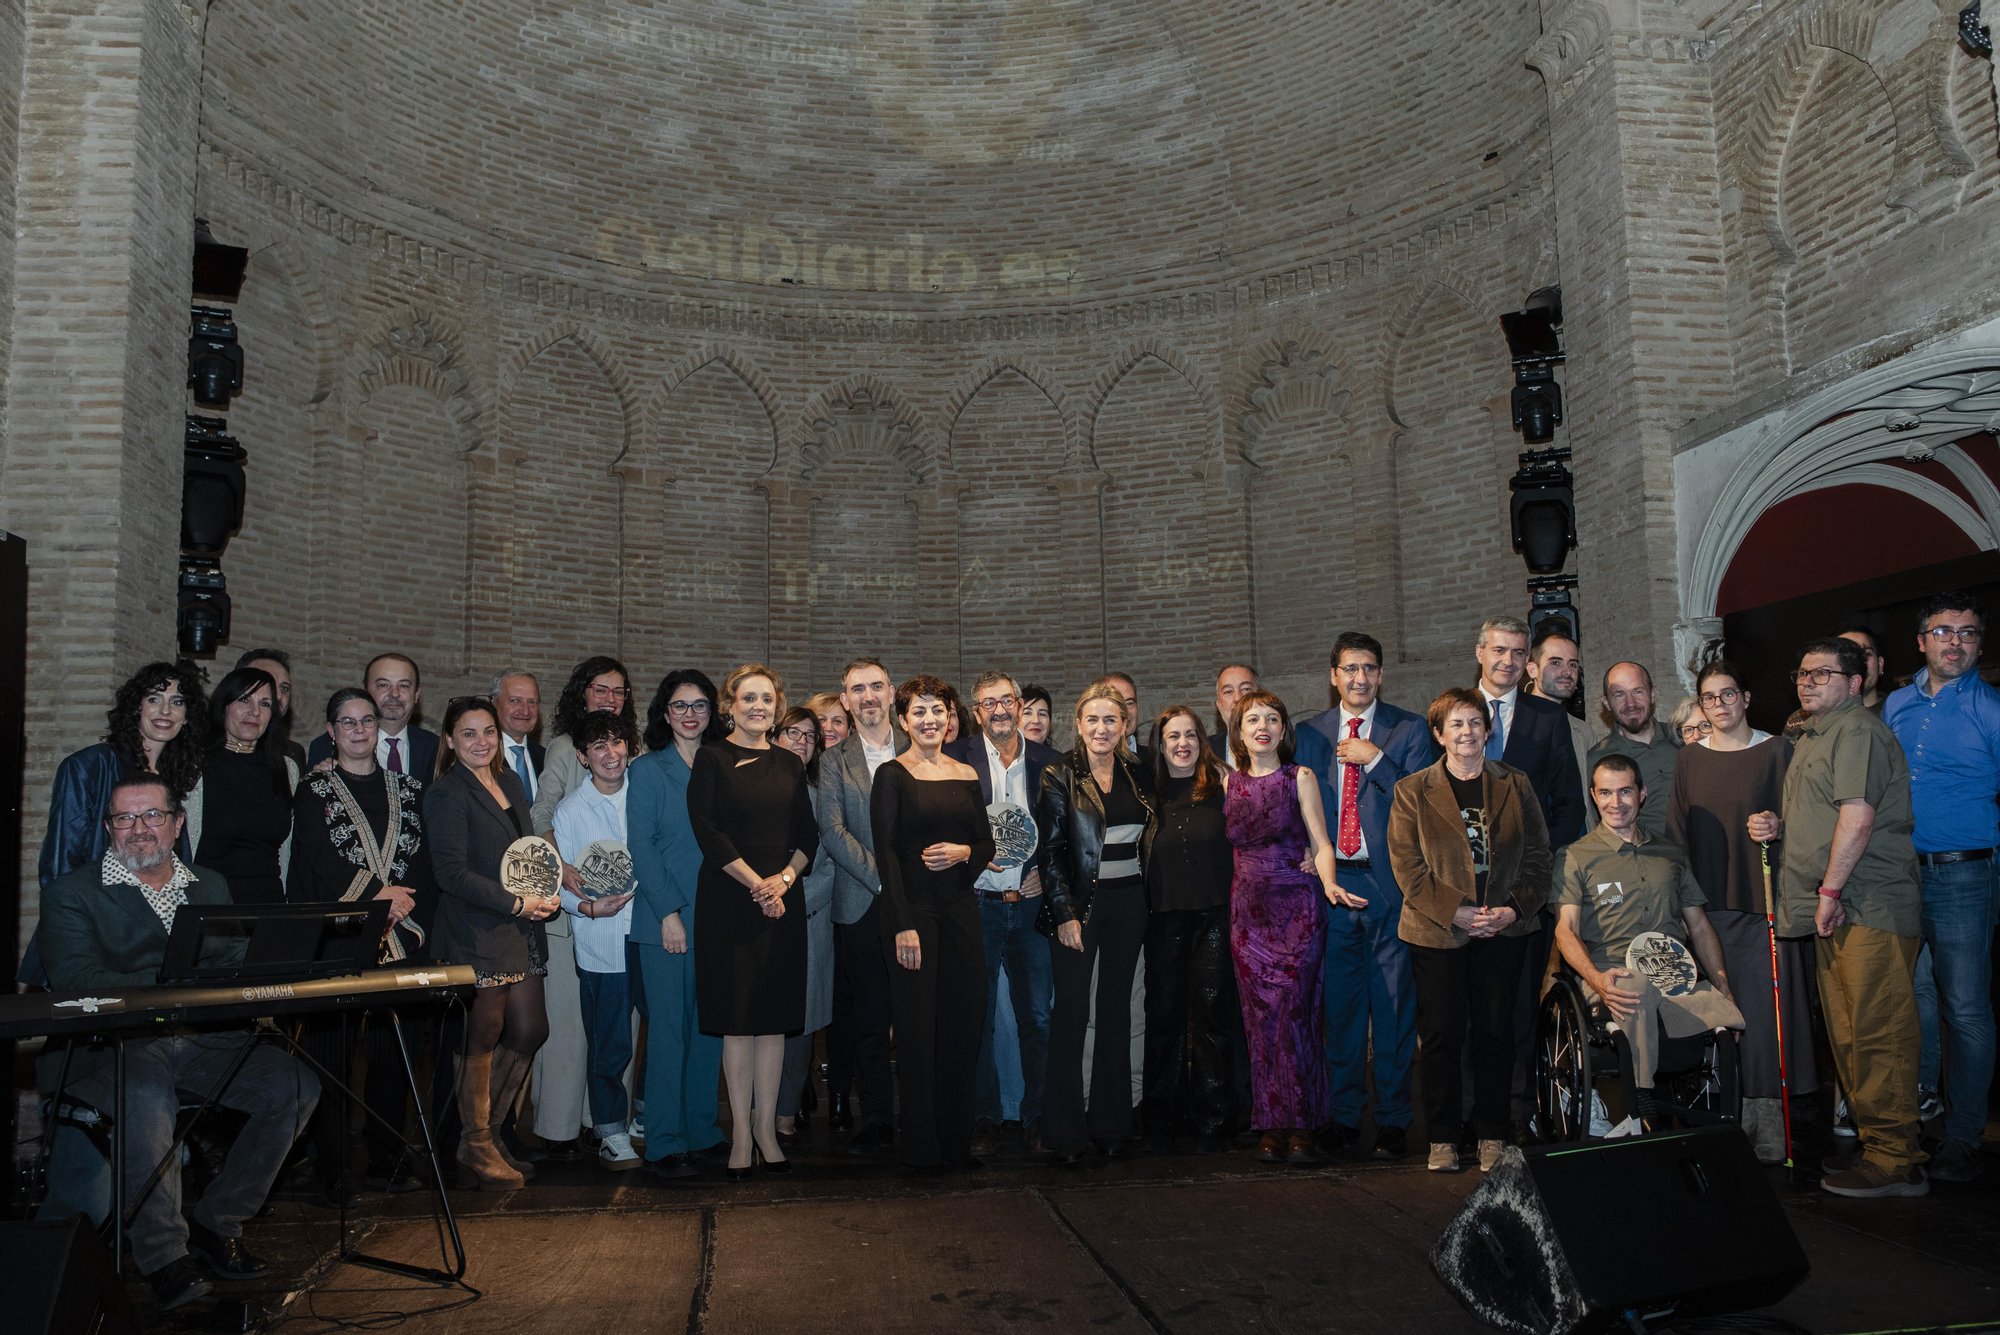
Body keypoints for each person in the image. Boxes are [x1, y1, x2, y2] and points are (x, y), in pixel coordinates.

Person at [37, 778, 320, 1311]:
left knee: (293, 1085)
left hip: (200, 1040)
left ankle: (217, 1222)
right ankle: (166, 1256)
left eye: (152, 816)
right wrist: (176, 977)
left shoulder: (207, 884)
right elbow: (78, 981)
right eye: (125, 818)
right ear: (108, 828)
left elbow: (232, 962)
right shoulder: (71, 893)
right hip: (110, 1044)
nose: (139, 829)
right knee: (145, 1095)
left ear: (177, 822)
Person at [1750, 637, 1926, 1198]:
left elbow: (1858, 816)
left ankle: (1898, 1161)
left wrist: (1829, 889)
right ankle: (1880, 1148)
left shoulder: (1856, 731)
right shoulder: (1815, 736)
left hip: (1866, 903)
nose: (1808, 681)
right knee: (1850, 1034)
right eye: (1803, 673)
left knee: (1878, 1032)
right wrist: (1783, 829)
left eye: (1823, 673)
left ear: (1855, 682)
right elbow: (1825, 814)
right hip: (1838, 908)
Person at [1389, 688, 1552, 1174]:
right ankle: (1442, 1138)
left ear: (1488, 729)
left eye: (1475, 722)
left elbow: (1540, 859)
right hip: (1439, 933)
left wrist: (1511, 910)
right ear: (1439, 734)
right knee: (1440, 1036)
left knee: (1495, 1034)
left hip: (1503, 929)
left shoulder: (1515, 783)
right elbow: (1407, 866)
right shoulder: (1411, 790)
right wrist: (1456, 911)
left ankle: (1492, 1134)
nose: (1467, 732)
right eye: (1456, 724)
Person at [288, 687, 434, 1201]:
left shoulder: (410, 788)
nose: (357, 729)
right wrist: (377, 897)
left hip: (403, 932)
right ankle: (333, 1167)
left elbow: (423, 859)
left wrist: (397, 905)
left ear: (379, 727)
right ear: (330, 731)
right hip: (337, 937)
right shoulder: (313, 790)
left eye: (366, 720)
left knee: (394, 1052)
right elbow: (318, 858)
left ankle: (388, 1158)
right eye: (346, 722)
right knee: (328, 1055)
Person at [1293, 631, 1434, 1160]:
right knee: (1341, 1012)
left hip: (1389, 887)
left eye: (1369, 668)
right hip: (1332, 888)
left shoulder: (1408, 729)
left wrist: (1376, 760)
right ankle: (1344, 1116)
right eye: (1350, 668)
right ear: (1333, 675)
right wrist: (1305, 851)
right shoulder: (1310, 733)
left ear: (1380, 674)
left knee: (1395, 1011)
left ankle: (1395, 1120)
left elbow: (1425, 805)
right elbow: (1295, 804)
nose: (1360, 678)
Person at [1667, 660, 1815, 1165]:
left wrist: (1779, 824)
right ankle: (1730, 1111)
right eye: (1710, 698)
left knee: (1766, 1014)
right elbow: (1676, 836)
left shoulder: (1777, 751)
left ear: (1746, 698)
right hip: (1707, 906)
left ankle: (1768, 1112)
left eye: (1728, 695)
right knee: (1721, 1014)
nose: (1720, 705)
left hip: (1761, 901)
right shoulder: (1690, 759)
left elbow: (1808, 818)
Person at [1555, 755, 1741, 1132]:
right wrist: (1595, 980)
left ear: (1641, 794)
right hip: (1613, 975)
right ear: (1594, 796)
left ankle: (1726, 1119)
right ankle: (1642, 1104)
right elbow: (1565, 930)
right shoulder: (1576, 856)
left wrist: (1723, 985)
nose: (1616, 802)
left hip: (1671, 973)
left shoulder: (1670, 854)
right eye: (1605, 793)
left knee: (1726, 1012)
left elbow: (1700, 926)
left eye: (1625, 791)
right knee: (1634, 986)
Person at [1884, 592, 2000, 1184]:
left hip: (1965, 875)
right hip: (1900, 874)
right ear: (1922, 641)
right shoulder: (1896, 705)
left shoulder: (1993, 709)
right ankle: (1922, 1104)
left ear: (1979, 644)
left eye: (1969, 633)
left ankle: (1963, 1135)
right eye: (1944, 631)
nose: (1956, 642)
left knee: (1966, 1008)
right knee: (1914, 997)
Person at [688, 664, 820, 1179]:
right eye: (748, 698)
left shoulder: (790, 763)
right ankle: (741, 1134)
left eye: (767, 699)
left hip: (782, 903)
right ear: (731, 705)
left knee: (773, 1024)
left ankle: (767, 1129)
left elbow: (808, 836)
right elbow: (709, 832)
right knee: (738, 1024)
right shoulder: (712, 757)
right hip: (729, 900)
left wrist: (783, 880)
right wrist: (757, 884)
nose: (758, 706)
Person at [425, 695, 559, 1191]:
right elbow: (450, 873)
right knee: (482, 1035)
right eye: (468, 734)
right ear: (449, 740)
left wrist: (543, 896)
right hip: (475, 931)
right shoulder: (447, 793)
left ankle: (490, 1131)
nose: (480, 742)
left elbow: (529, 855)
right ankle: (475, 1141)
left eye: (487, 733)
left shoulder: (509, 782)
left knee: (529, 1031)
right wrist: (517, 902)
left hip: (520, 928)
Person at [1225, 689, 1360, 1164]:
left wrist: (1328, 883)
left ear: (1284, 730)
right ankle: (1271, 1123)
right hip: (1246, 919)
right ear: (1239, 732)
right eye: (1252, 720)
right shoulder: (1229, 784)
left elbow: (1322, 843)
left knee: (1297, 1015)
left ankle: (1303, 1122)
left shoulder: (1297, 777)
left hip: (1298, 913)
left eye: (1272, 719)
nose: (1263, 726)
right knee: (1260, 1023)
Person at [872, 675, 995, 1173]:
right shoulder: (892, 775)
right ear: (903, 721)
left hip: (962, 911)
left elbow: (985, 845)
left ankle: (955, 1143)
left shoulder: (966, 773)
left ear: (951, 718)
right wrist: (903, 923)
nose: (929, 720)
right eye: (918, 712)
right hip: (912, 913)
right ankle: (922, 1150)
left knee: (964, 1025)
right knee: (919, 1033)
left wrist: (966, 852)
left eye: (938, 710)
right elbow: (885, 853)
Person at [1038, 681, 1155, 1165]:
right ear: (1079, 725)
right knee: (1071, 1015)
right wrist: (1065, 914)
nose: (1102, 728)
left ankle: (1112, 1125)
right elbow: (1049, 853)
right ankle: (1064, 1133)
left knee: (1115, 1014)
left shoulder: (1141, 772)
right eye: (1093, 720)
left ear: (1125, 724)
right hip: (1080, 906)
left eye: (1112, 719)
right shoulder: (1058, 773)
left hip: (1131, 904)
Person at [528, 655, 639, 1162]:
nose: (610, 698)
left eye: (619, 691)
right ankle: (559, 1130)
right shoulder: (563, 749)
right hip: (577, 910)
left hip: (629, 917)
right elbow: (542, 811)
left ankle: (608, 1123)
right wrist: (565, 869)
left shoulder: (632, 762)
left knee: (622, 1029)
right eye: (601, 689)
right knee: (574, 1032)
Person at [946, 671, 1060, 1156]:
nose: (999, 709)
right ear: (976, 712)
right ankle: (984, 1118)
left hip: (1032, 907)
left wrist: (1043, 873)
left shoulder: (1051, 762)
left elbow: (1065, 833)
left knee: (1038, 1017)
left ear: (1019, 704)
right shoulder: (955, 760)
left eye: (1006, 700)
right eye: (988, 703)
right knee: (980, 1018)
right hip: (979, 907)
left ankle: (1039, 1116)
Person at [627, 669, 728, 1181]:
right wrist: (668, 914)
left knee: (708, 1029)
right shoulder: (647, 771)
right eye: (680, 705)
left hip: (715, 916)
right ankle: (664, 1140)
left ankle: (701, 1131)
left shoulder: (722, 764)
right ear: (665, 713)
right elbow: (641, 849)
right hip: (665, 919)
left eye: (700, 705)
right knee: (668, 1033)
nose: (690, 715)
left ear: (712, 712)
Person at [1140, 706, 1240, 1153]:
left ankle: (1214, 1117)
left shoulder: (1224, 787)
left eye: (1190, 736)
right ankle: (1162, 1117)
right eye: (1172, 736)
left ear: (1202, 742)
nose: (1182, 743)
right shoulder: (1147, 793)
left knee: (1212, 1018)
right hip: (1161, 918)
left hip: (1214, 916)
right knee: (1162, 1020)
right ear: (1160, 746)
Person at [817, 657, 905, 1153]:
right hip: (862, 901)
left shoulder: (921, 745)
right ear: (846, 700)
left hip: (917, 902)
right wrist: (882, 881)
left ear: (892, 693)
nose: (868, 696)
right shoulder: (834, 760)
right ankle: (874, 1118)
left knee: (917, 1013)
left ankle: (920, 1110)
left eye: (876, 687)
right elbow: (832, 831)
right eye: (858, 690)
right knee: (870, 1019)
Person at [551, 711, 643, 1171]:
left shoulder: (645, 796)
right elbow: (560, 885)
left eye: (618, 743)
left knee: (662, 1030)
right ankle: (610, 1131)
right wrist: (587, 908)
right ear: (584, 758)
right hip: (601, 941)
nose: (612, 754)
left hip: (649, 935)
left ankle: (646, 1112)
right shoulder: (569, 812)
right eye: (600, 747)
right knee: (609, 1043)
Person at [39, 660, 208, 893]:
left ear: (187, 716)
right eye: (154, 699)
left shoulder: (175, 774)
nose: (166, 711)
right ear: (137, 707)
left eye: (177, 702)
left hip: (159, 904)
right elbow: (62, 856)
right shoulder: (90, 765)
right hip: (99, 906)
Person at [773, 705, 837, 1149]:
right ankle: (757, 1108)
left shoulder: (820, 792)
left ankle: (785, 1111)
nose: (801, 741)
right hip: (755, 916)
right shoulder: (749, 781)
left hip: (808, 917)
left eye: (809, 736)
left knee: (800, 1026)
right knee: (760, 1024)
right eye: (792, 733)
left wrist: (786, 899)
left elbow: (828, 863)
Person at [188, 666, 297, 904]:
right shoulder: (194, 765)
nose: (254, 711)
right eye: (244, 699)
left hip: (270, 909)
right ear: (223, 706)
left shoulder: (287, 768)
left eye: (265, 704)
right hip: (209, 908)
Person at [1474, 616, 1585, 846]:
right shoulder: (1453, 712)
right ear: (1480, 653)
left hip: (1528, 862)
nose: (1508, 660)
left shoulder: (1549, 717)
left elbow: (1569, 801)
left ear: (1527, 660)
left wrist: (1544, 857)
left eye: (1517, 652)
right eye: (1499, 650)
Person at [306, 653, 438, 779]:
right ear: (365, 691)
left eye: (403, 686)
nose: (394, 694)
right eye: (383, 685)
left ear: (416, 695)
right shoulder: (325, 746)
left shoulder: (435, 747)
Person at [1587, 663, 1678, 844]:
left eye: (1638, 691)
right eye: (1619, 695)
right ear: (1606, 702)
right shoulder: (1598, 759)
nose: (1630, 704)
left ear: (1652, 694)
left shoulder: (1682, 739)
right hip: (1647, 861)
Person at [1525, 626, 1597, 814]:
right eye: (1556, 663)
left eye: (1572, 664)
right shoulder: (1514, 723)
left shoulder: (1583, 731)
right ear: (1532, 669)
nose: (1567, 671)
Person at [235, 647, 306, 769]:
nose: (278, 695)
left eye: (284, 688)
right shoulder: (201, 749)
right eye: (269, 684)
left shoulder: (294, 753)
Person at [492, 669, 546, 799]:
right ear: (493, 704)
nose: (525, 711)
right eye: (515, 700)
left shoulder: (545, 757)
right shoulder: (480, 755)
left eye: (532, 702)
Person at [1209, 664, 1260, 768]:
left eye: (1246, 689)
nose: (1237, 698)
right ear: (1219, 704)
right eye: (1228, 692)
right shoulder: (1205, 750)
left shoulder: (1282, 745)